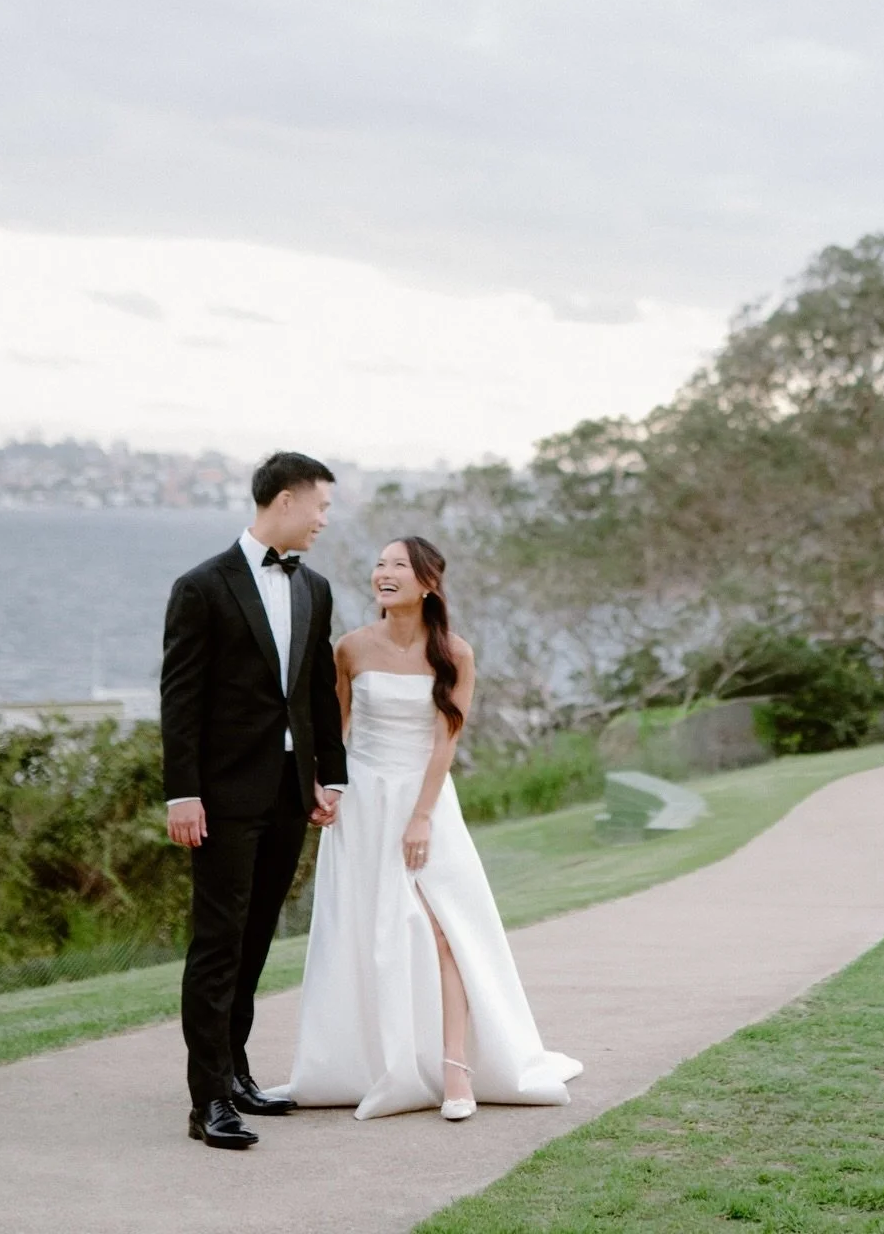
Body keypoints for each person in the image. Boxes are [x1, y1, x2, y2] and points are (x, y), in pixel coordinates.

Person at [285, 535, 580, 1120]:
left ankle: (455, 1070)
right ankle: (382, 1063)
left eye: (399, 565)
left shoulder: (455, 654)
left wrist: (421, 816)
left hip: (426, 799)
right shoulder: (349, 648)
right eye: (380, 564)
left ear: (428, 583)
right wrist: (325, 787)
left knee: (444, 928)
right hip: (364, 802)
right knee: (376, 932)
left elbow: (446, 742)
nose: (384, 573)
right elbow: (337, 730)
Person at [161, 451, 348, 1151]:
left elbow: (316, 691)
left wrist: (331, 777)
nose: (326, 519)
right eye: (321, 506)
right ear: (286, 501)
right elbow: (179, 700)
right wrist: (183, 792)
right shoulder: (201, 587)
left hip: (289, 795)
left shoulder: (314, 588)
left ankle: (235, 1073)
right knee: (217, 943)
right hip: (219, 797)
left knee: (256, 938)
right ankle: (206, 1100)